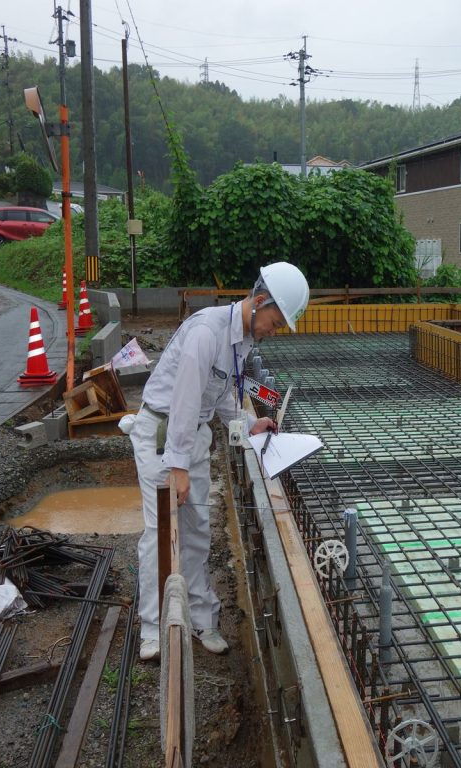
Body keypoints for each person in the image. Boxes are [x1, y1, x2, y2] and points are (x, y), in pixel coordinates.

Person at [124, 262, 309, 661]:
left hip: (192, 436)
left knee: (197, 531)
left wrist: (247, 422)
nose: (272, 332)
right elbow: (185, 399)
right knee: (160, 534)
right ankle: (154, 630)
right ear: (259, 303)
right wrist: (176, 467)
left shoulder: (239, 340)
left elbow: (221, 394)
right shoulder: (207, 332)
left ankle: (202, 621)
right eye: (274, 323)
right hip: (163, 435)